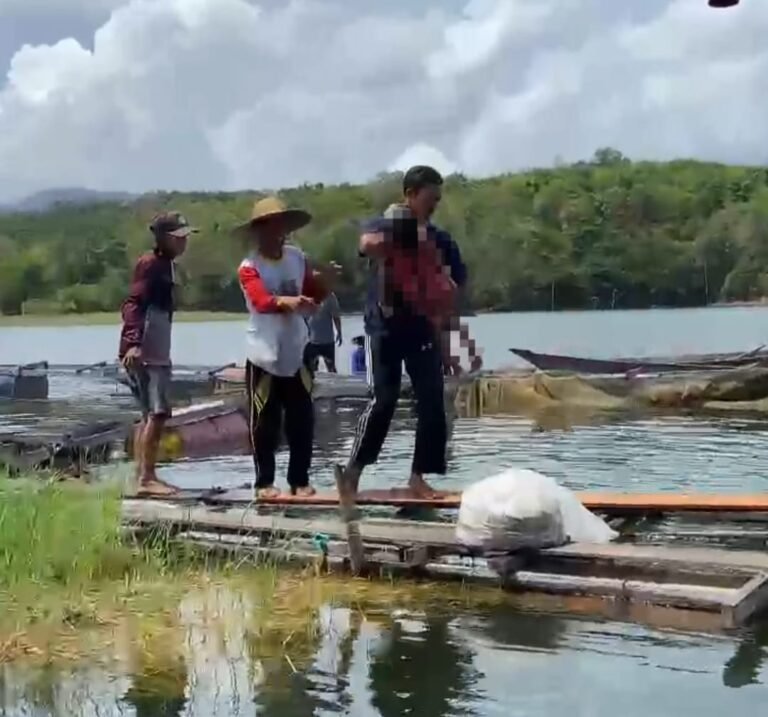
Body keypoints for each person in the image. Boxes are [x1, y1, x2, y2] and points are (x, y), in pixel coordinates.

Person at [338, 165, 471, 499]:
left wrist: (449, 345)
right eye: (430, 198)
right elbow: (367, 244)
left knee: (433, 400)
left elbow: (450, 294)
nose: (435, 205)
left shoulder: (440, 240)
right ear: (410, 194)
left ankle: (418, 477)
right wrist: (399, 235)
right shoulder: (384, 225)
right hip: (383, 329)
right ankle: (352, 473)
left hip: (423, 330)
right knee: (384, 400)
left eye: (438, 199)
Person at [235, 196, 336, 499]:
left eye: (281, 227)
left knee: (302, 419)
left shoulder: (296, 258)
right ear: (259, 231)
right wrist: (287, 301)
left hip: (297, 350)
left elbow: (310, 295)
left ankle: (299, 480)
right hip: (264, 353)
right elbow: (260, 301)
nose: (277, 233)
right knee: (264, 422)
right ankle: (264, 482)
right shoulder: (249, 267)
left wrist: (326, 283)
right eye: (270, 227)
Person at [119, 211, 197, 497]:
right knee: (157, 412)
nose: (184, 242)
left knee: (149, 414)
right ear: (163, 238)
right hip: (146, 349)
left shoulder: (167, 266)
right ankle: (146, 478)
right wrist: (133, 343)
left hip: (157, 347)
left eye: (185, 237)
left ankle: (142, 475)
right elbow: (134, 304)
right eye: (178, 238)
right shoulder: (150, 264)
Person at [305, 291, 342, 373]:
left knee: (331, 367)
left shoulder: (329, 296)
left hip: (326, 340)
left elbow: (336, 316)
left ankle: (334, 380)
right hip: (311, 340)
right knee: (311, 368)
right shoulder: (306, 294)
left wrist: (339, 332)